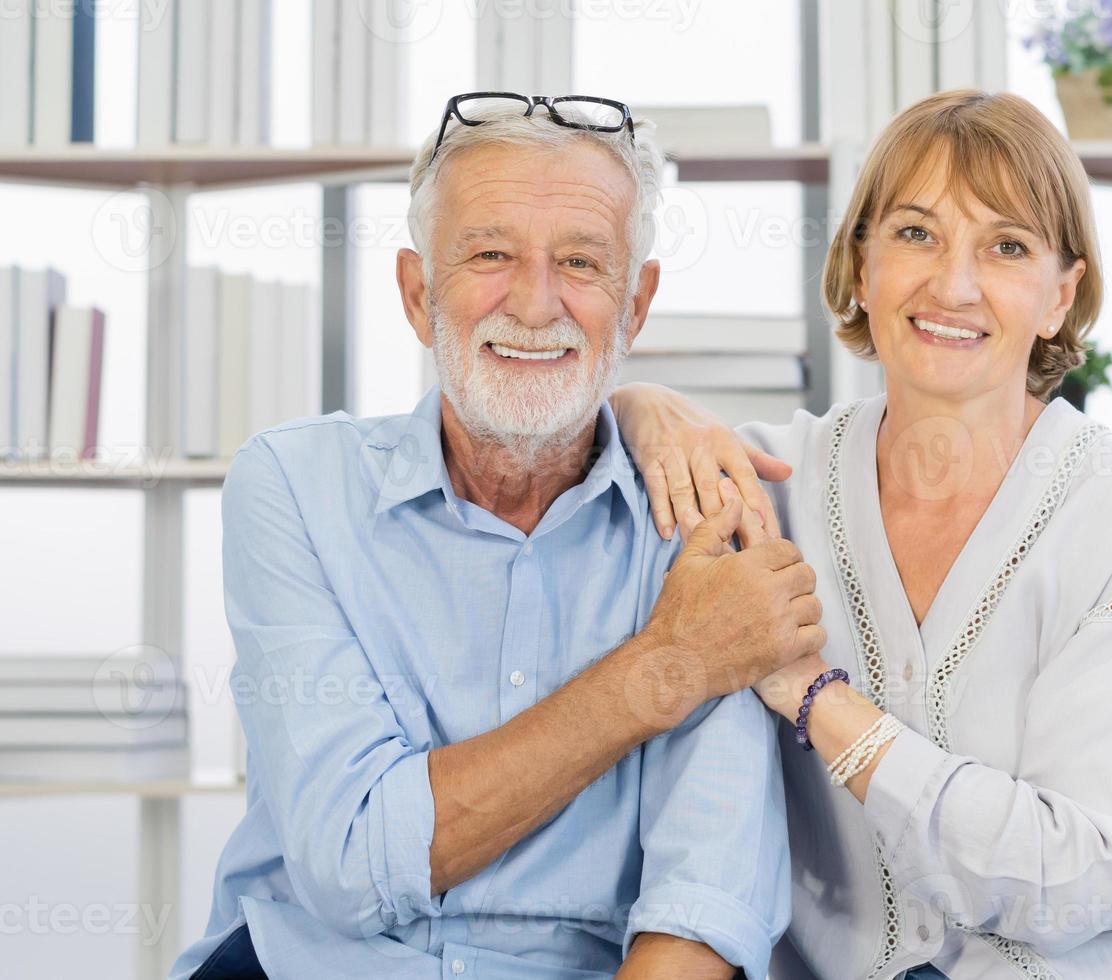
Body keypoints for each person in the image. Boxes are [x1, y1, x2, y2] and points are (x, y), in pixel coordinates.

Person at [611, 89, 1112, 980]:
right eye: (916, 234)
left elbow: (1070, 879)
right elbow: (578, 449)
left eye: (1006, 246)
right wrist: (641, 406)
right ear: (861, 266)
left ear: (1060, 295)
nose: (954, 285)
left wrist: (817, 697)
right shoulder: (762, 484)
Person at [170, 93, 823, 980]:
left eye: (582, 262)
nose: (535, 302)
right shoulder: (293, 488)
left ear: (635, 306)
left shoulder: (706, 516)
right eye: (489, 254)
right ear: (415, 292)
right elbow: (352, 863)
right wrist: (668, 663)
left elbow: (705, 903)